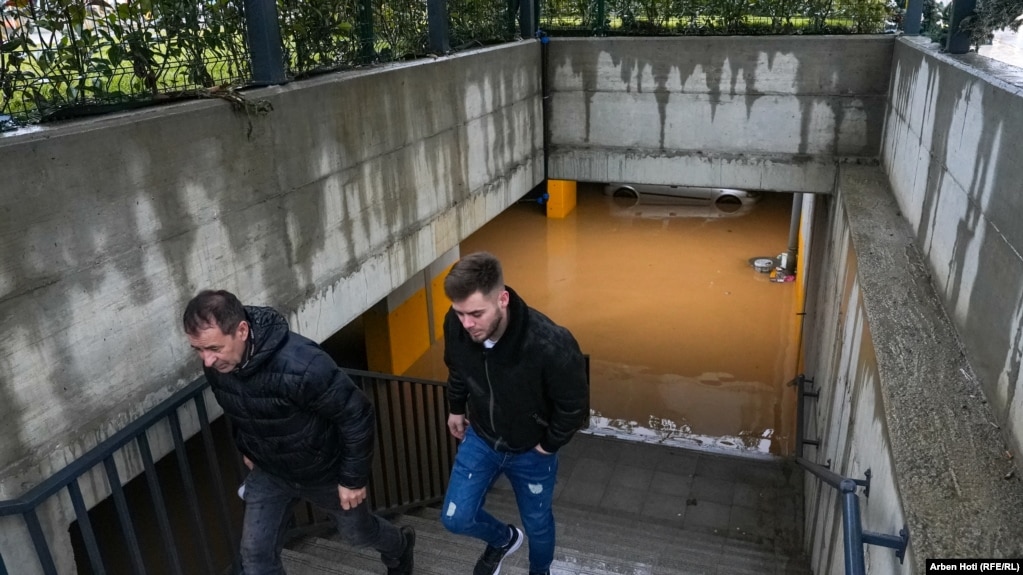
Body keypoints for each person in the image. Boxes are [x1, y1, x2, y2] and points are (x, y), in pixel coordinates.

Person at [182, 290, 415, 575]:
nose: (206, 361)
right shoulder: (218, 367)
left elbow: (357, 414)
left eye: (214, 348)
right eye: (198, 350)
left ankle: (400, 546)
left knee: (359, 534)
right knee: (255, 557)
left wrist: (353, 480)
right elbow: (238, 408)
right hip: (271, 472)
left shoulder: (303, 364)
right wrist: (248, 447)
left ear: (241, 330)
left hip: (323, 473)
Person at [439, 252, 590, 575]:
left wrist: (547, 445)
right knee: (455, 518)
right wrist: (456, 408)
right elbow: (457, 367)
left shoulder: (549, 344)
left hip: (531, 450)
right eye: (459, 313)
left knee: (538, 525)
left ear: (502, 299)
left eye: (476, 313)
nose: (466, 324)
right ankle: (503, 540)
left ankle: (540, 572)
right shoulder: (457, 325)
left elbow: (574, 406)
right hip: (481, 438)